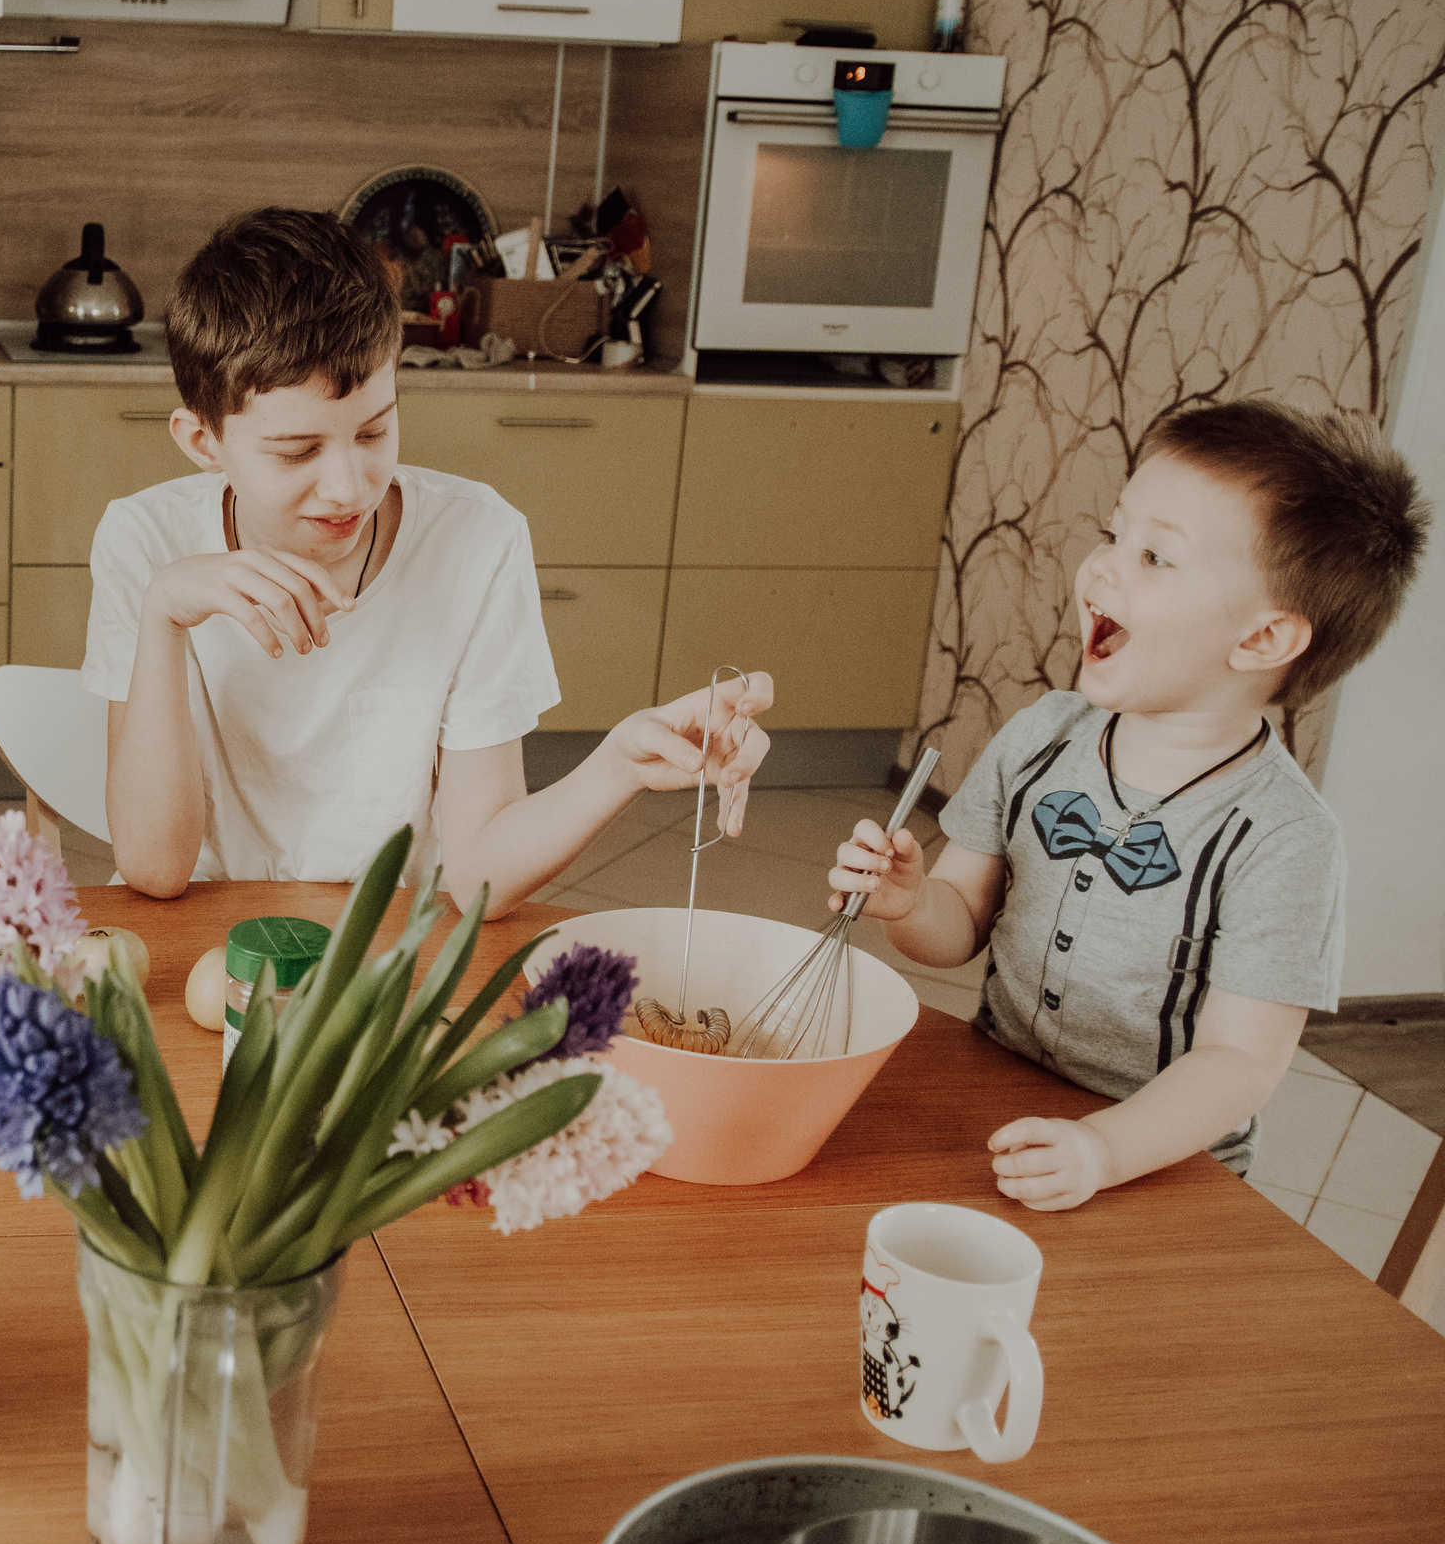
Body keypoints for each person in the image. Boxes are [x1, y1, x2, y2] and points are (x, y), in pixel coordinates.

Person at [84, 206, 773, 917]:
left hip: (382, 947)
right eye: (298, 452)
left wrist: (619, 764)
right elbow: (155, 868)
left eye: (376, 430)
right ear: (202, 442)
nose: (350, 486)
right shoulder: (146, 541)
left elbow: (477, 877)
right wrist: (163, 615)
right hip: (201, 931)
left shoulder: (478, 542)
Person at [827, 400, 1429, 1209]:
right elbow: (959, 924)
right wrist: (910, 902)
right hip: (1000, 1103)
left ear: (1261, 639)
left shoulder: (1284, 839)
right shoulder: (1043, 733)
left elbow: (1239, 1062)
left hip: (1159, 1165)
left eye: (1154, 556)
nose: (1101, 567)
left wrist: (1106, 1148)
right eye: (1114, 534)